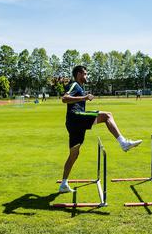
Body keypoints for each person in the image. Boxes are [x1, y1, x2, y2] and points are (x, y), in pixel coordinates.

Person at [59, 65, 142, 193]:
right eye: (85, 74)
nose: (86, 76)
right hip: (76, 117)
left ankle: (63, 184)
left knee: (74, 154)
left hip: (74, 122)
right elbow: (64, 99)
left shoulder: (79, 87)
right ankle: (123, 143)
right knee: (107, 115)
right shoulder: (74, 85)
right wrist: (84, 97)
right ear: (79, 74)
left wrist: (83, 97)